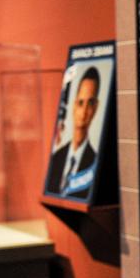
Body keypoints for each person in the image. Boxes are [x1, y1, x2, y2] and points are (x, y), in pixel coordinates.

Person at [45, 66, 101, 198]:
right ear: (74, 105)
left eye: (90, 103)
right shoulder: (56, 158)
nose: (84, 111)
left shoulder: (95, 161)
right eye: (81, 102)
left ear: (96, 108)